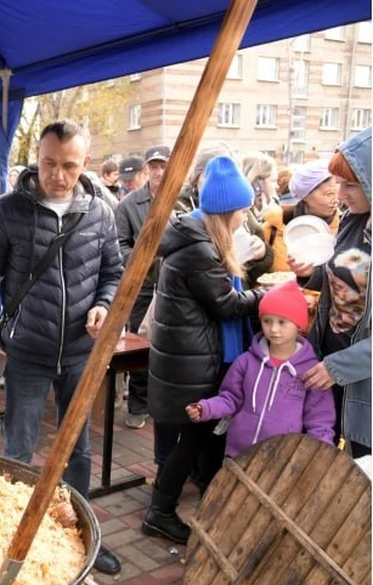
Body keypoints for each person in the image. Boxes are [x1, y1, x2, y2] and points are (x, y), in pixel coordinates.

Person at [0, 120, 124, 575]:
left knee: (78, 450)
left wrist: (102, 304)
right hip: (27, 353)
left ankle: (79, 530)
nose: (58, 175)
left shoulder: (100, 213)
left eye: (69, 166)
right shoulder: (7, 211)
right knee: (18, 450)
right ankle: (13, 537)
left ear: (86, 164)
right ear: (37, 158)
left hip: (80, 351)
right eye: (49, 163)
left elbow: (113, 273)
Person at [143, 155, 264, 545]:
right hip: (190, 364)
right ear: (226, 211)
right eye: (243, 211)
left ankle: (205, 499)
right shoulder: (199, 249)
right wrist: (266, 295)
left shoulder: (195, 235)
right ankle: (160, 513)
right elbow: (227, 304)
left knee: (206, 436)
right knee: (193, 439)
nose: (245, 218)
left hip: (188, 358)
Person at [292, 127, 372, 458]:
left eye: (350, 184)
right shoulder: (355, 221)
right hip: (333, 361)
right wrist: (311, 276)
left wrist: (339, 367)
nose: (340, 193)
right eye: (338, 183)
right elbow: (343, 282)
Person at [186, 280, 335, 458]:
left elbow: (320, 420)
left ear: (299, 324)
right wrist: (206, 408)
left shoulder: (312, 371)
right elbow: (230, 398)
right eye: (267, 321)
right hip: (238, 454)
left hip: (280, 461)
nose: (273, 329)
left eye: (282, 322)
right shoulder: (245, 362)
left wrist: (322, 453)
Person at [114, 144, 170, 429]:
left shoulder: (183, 200)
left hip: (176, 284)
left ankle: (161, 405)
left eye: (164, 166)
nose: (159, 172)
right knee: (140, 345)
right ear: (146, 168)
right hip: (144, 285)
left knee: (170, 346)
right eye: (154, 166)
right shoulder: (129, 204)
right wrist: (143, 259)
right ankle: (137, 405)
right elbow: (119, 244)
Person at [177, 148, 274, 286]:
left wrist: (262, 253)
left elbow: (256, 268)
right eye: (207, 175)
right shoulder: (181, 213)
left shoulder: (239, 208)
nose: (214, 182)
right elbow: (221, 299)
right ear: (196, 177)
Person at [262, 160, 341, 272]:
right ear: (305, 195)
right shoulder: (273, 228)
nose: (335, 201)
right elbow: (257, 275)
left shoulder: (344, 228)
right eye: (329, 194)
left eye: (337, 194)